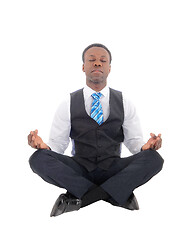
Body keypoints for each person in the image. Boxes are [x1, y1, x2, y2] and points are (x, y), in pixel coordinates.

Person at [28, 43, 164, 217]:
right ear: (83, 67)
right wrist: (43, 147)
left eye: (102, 60)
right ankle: (115, 195)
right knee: (38, 159)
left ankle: (80, 199)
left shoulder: (125, 102)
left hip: (114, 169)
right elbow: (58, 145)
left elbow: (133, 141)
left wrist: (145, 148)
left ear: (109, 68)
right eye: (91, 60)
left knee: (154, 159)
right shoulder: (68, 103)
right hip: (79, 169)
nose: (97, 63)